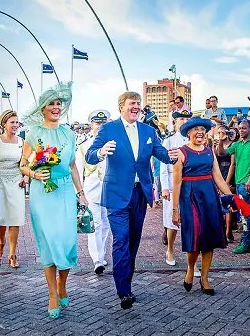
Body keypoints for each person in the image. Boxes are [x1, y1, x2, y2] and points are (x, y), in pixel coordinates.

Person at [86, 91, 176, 310]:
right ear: (121, 107)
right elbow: (90, 154)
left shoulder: (148, 130)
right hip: (116, 194)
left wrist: (175, 154)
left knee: (134, 241)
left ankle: (127, 281)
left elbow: (162, 154)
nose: (136, 106)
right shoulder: (109, 129)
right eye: (132, 103)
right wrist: (101, 152)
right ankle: (123, 290)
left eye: (138, 103)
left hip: (139, 194)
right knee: (121, 239)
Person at [19, 83, 87, 319]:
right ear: (43, 108)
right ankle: (51, 293)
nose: (56, 107)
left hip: (66, 191)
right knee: (49, 242)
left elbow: (72, 166)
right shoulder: (33, 133)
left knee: (67, 241)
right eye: (52, 104)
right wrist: (35, 173)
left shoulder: (69, 133)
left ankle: (63, 284)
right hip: (43, 193)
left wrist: (81, 193)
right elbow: (23, 165)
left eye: (59, 104)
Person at [171, 117, 233, 295]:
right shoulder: (181, 152)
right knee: (195, 237)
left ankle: (205, 277)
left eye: (202, 129)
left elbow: (218, 178)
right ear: (188, 132)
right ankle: (191, 268)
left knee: (210, 237)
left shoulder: (209, 151)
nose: (200, 132)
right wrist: (175, 210)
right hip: (189, 197)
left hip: (209, 197)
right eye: (195, 129)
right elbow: (176, 183)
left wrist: (230, 197)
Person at [75, 109, 111, 275]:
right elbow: (78, 171)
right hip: (92, 191)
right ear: (91, 125)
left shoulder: (113, 143)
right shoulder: (83, 147)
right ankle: (97, 259)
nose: (100, 126)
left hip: (110, 191)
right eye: (97, 123)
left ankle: (102, 255)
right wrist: (80, 194)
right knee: (95, 224)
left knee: (106, 225)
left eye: (103, 123)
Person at [0, 110, 27, 269]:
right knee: (0, 217)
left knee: (15, 218)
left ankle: (12, 254)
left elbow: (27, 163)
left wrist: (26, 177)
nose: (15, 125)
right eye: (12, 122)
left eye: (17, 122)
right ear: (4, 124)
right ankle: (1, 242)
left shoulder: (22, 141)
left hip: (16, 183)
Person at [225, 119, 250, 254]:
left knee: (246, 213)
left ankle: (246, 242)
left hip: (249, 182)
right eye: (240, 128)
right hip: (240, 181)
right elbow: (223, 153)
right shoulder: (237, 144)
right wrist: (219, 140)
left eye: (244, 128)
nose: (241, 130)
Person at [160, 109, 192, 266]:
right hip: (173, 185)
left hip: (190, 185)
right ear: (175, 122)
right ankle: (170, 249)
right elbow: (164, 167)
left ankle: (190, 255)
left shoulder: (194, 140)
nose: (184, 123)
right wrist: (164, 187)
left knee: (190, 221)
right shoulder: (170, 141)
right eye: (181, 120)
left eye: (187, 120)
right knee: (172, 221)